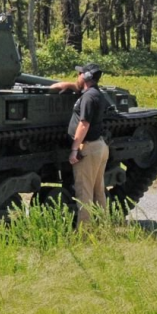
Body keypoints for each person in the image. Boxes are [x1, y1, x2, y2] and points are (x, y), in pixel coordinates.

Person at [51, 63, 109, 226]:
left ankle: (85, 233)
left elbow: (84, 124)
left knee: (84, 192)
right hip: (99, 146)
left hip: (87, 148)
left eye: (79, 74)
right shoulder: (95, 94)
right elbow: (81, 91)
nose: (77, 76)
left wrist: (74, 149)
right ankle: (103, 227)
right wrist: (69, 85)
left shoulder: (88, 98)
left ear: (86, 76)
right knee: (98, 191)